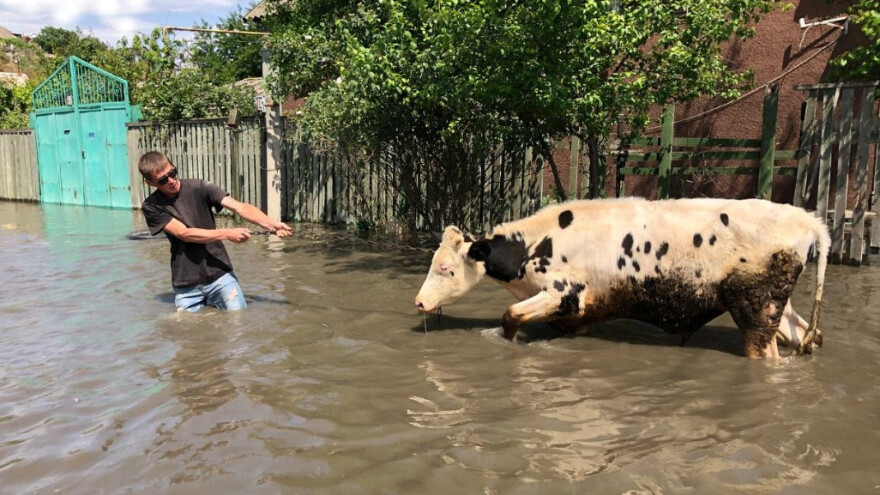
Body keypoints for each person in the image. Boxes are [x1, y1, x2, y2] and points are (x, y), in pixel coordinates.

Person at [138, 151, 293, 312]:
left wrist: (272, 224)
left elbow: (239, 207)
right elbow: (184, 234)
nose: (171, 180)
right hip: (185, 282)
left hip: (219, 274)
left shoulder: (199, 187)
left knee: (239, 320)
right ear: (150, 183)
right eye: (163, 180)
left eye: (172, 173)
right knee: (185, 333)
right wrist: (227, 233)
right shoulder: (151, 206)